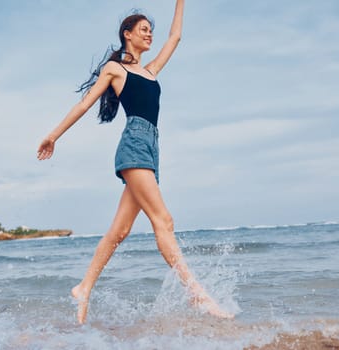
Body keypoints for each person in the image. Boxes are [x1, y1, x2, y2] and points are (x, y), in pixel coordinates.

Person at [37, 0, 233, 324]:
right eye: (144, 29)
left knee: (119, 231)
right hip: (134, 147)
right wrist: (53, 135)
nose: (150, 35)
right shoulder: (116, 70)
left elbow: (176, 37)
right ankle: (199, 297)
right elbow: (86, 104)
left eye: (151, 31)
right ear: (127, 34)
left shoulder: (151, 70)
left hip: (151, 150)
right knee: (164, 221)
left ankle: (84, 287)